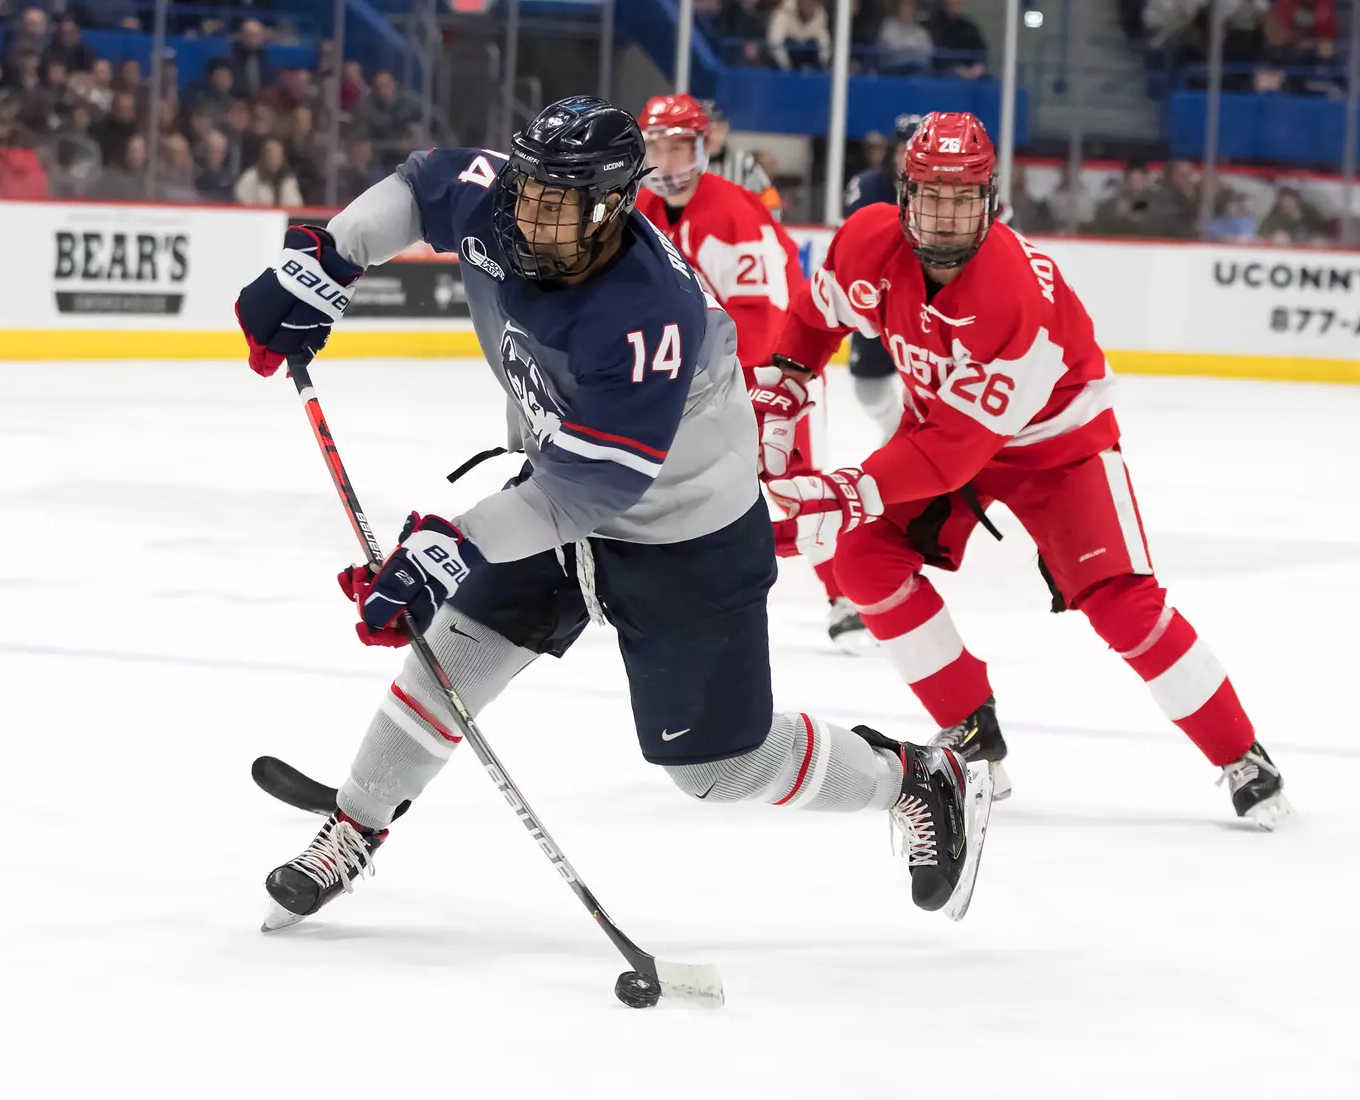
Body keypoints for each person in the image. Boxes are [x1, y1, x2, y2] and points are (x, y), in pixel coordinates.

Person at [234, 96, 989, 929]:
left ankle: (912, 777)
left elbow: (586, 491)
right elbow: (419, 186)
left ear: (611, 209)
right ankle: (355, 825)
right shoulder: (503, 200)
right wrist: (327, 259)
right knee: (452, 653)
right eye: (528, 191)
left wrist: (456, 546)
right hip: (559, 486)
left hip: (685, 532)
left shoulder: (646, 316)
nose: (532, 216)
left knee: (718, 768)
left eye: (558, 204)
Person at [767, 112, 1290, 828]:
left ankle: (1241, 754)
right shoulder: (866, 240)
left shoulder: (1014, 296)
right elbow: (813, 317)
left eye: (962, 198)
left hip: (1058, 448)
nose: (944, 215)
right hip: (944, 429)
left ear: (990, 201)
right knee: (863, 558)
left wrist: (849, 491)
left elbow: (952, 452)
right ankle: (972, 733)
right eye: (931, 195)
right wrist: (786, 378)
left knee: (1123, 605)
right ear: (903, 193)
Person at [634, 93, 869, 652]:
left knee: (793, 482)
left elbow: (765, 317)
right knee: (680, 482)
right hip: (703, 378)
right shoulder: (640, 207)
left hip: (775, 372)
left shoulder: (734, 213)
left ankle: (851, 598)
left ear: (703, 146)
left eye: (678, 147)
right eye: (656, 148)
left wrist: (729, 381)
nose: (666, 162)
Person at [841, 113, 922, 439]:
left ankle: (925, 448)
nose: (908, 157)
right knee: (868, 385)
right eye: (903, 149)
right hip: (877, 302)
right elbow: (853, 242)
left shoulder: (948, 190)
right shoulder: (868, 186)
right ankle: (897, 434)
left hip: (931, 305)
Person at [702, 101, 781, 218]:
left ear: (726, 128)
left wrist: (759, 225)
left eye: (718, 129)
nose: (713, 136)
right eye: (707, 130)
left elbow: (770, 202)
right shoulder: (685, 162)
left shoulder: (745, 163)